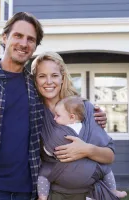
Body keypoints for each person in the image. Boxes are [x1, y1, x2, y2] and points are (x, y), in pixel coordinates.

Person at [0, 12, 107, 200]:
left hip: (28, 191)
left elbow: (62, 105)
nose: (24, 43)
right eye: (18, 36)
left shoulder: (36, 85)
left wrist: (92, 113)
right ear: (5, 37)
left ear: (35, 46)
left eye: (30, 39)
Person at [30, 51, 117, 200]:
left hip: (92, 194)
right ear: (35, 80)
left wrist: (87, 149)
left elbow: (109, 157)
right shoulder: (33, 113)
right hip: (55, 194)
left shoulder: (84, 109)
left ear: (63, 78)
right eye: (42, 76)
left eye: (54, 75)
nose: (48, 81)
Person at [37, 96, 127, 200]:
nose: (54, 118)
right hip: (82, 179)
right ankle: (113, 190)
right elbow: (101, 141)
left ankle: (42, 197)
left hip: (78, 184)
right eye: (42, 77)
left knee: (43, 174)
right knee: (106, 170)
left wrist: (86, 150)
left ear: (71, 117)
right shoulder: (86, 125)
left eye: (58, 116)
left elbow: (49, 149)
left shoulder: (59, 131)